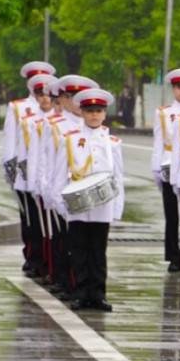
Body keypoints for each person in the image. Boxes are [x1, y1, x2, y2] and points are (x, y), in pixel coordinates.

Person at [55, 88, 124, 311]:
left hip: (103, 203)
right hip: (78, 203)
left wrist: (117, 206)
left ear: (105, 114)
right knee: (78, 249)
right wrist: (60, 202)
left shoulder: (111, 141)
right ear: (82, 113)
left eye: (98, 111)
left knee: (98, 250)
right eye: (90, 111)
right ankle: (80, 292)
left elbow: (118, 176)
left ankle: (98, 293)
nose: (94, 115)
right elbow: (59, 171)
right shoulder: (71, 138)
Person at [41, 75, 97, 296]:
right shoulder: (54, 125)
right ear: (63, 99)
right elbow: (47, 159)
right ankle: (64, 280)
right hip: (62, 188)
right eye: (70, 97)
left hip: (86, 191)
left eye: (78, 98)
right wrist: (49, 190)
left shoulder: (93, 126)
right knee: (63, 238)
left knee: (84, 242)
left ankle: (83, 283)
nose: (74, 102)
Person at [1, 61, 55, 275]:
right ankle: (32, 256)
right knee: (30, 217)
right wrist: (11, 171)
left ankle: (47, 259)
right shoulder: (19, 107)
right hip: (24, 170)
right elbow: (10, 140)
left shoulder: (54, 108)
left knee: (49, 217)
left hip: (48, 171)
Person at [153, 68, 180, 272]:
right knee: (171, 214)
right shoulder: (164, 113)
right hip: (170, 164)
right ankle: (173, 255)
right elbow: (159, 143)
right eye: (179, 87)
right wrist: (156, 172)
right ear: (174, 89)